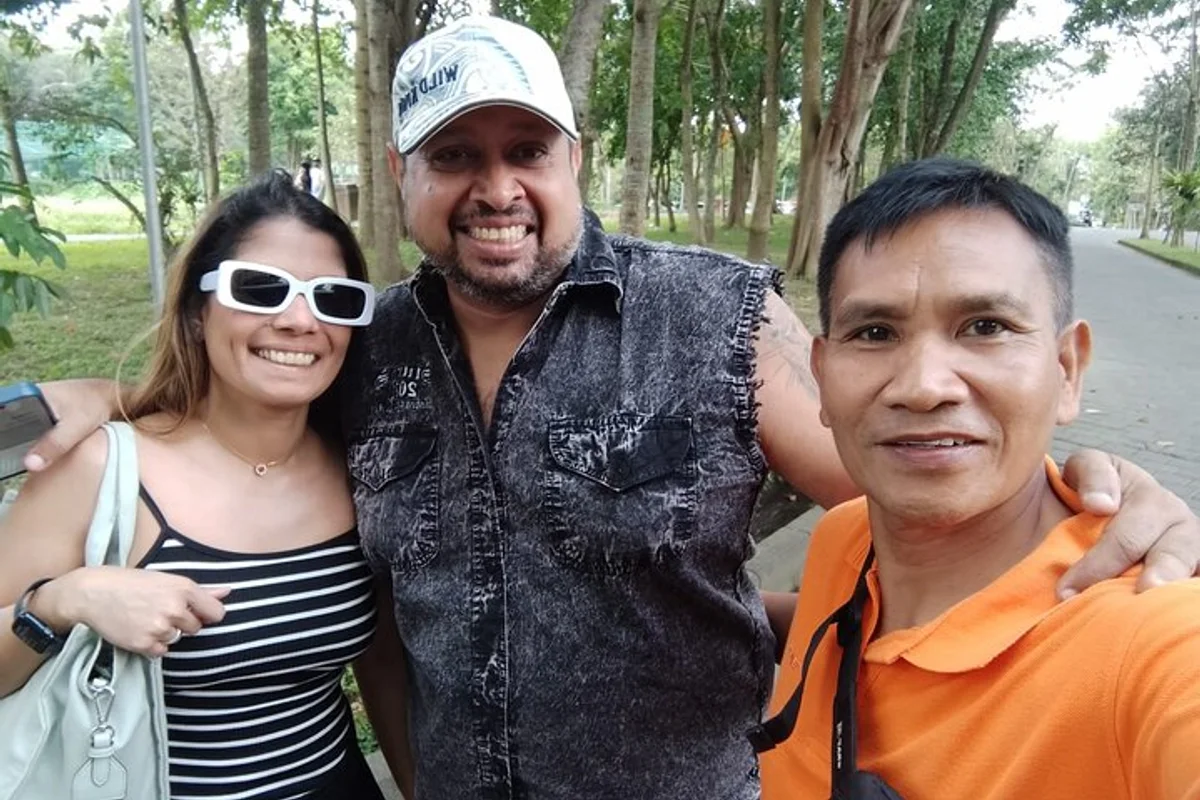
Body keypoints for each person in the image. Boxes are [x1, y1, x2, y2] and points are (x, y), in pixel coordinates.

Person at [26, 17, 1200, 800]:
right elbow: (245, 391)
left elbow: (913, 467)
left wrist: (1088, 490)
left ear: (574, 158)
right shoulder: (362, 341)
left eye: (526, 148)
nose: (496, 187)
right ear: (402, 177)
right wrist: (88, 398)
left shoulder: (714, 312)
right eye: (454, 155)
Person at [756, 158, 1200, 799]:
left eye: (986, 328)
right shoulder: (845, 542)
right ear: (821, 378)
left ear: (1067, 370)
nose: (923, 387)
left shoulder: (1149, 639)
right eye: (875, 333)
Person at [0, 172, 407, 799]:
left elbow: (382, 665)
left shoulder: (362, 468)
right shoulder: (101, 470)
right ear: (197, 313)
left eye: (334, 298)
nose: (300, 320)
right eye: (260, 289)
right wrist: (63, 601)